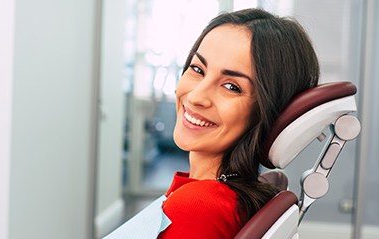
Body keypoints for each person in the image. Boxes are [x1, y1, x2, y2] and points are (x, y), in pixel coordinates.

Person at [105, 8, 319, 239]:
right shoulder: (217, 196)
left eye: (231, 86)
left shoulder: (198, 207)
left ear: (268, 111)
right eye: (197, 69)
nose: (196, 96)